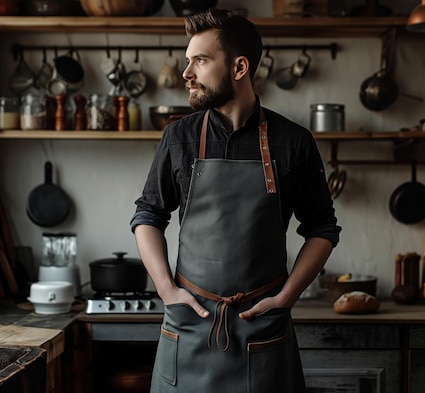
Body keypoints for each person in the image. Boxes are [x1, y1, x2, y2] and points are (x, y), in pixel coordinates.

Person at [130, 8, 341, 393]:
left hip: (261, 329)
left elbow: (323, 229)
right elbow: (148, 216)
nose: (186, 74)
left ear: (239, 67)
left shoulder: (293, 142)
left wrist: (286, 297)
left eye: (201, 61)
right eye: (188, 61)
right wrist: (166, 290)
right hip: (189, 326)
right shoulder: (179, 137)